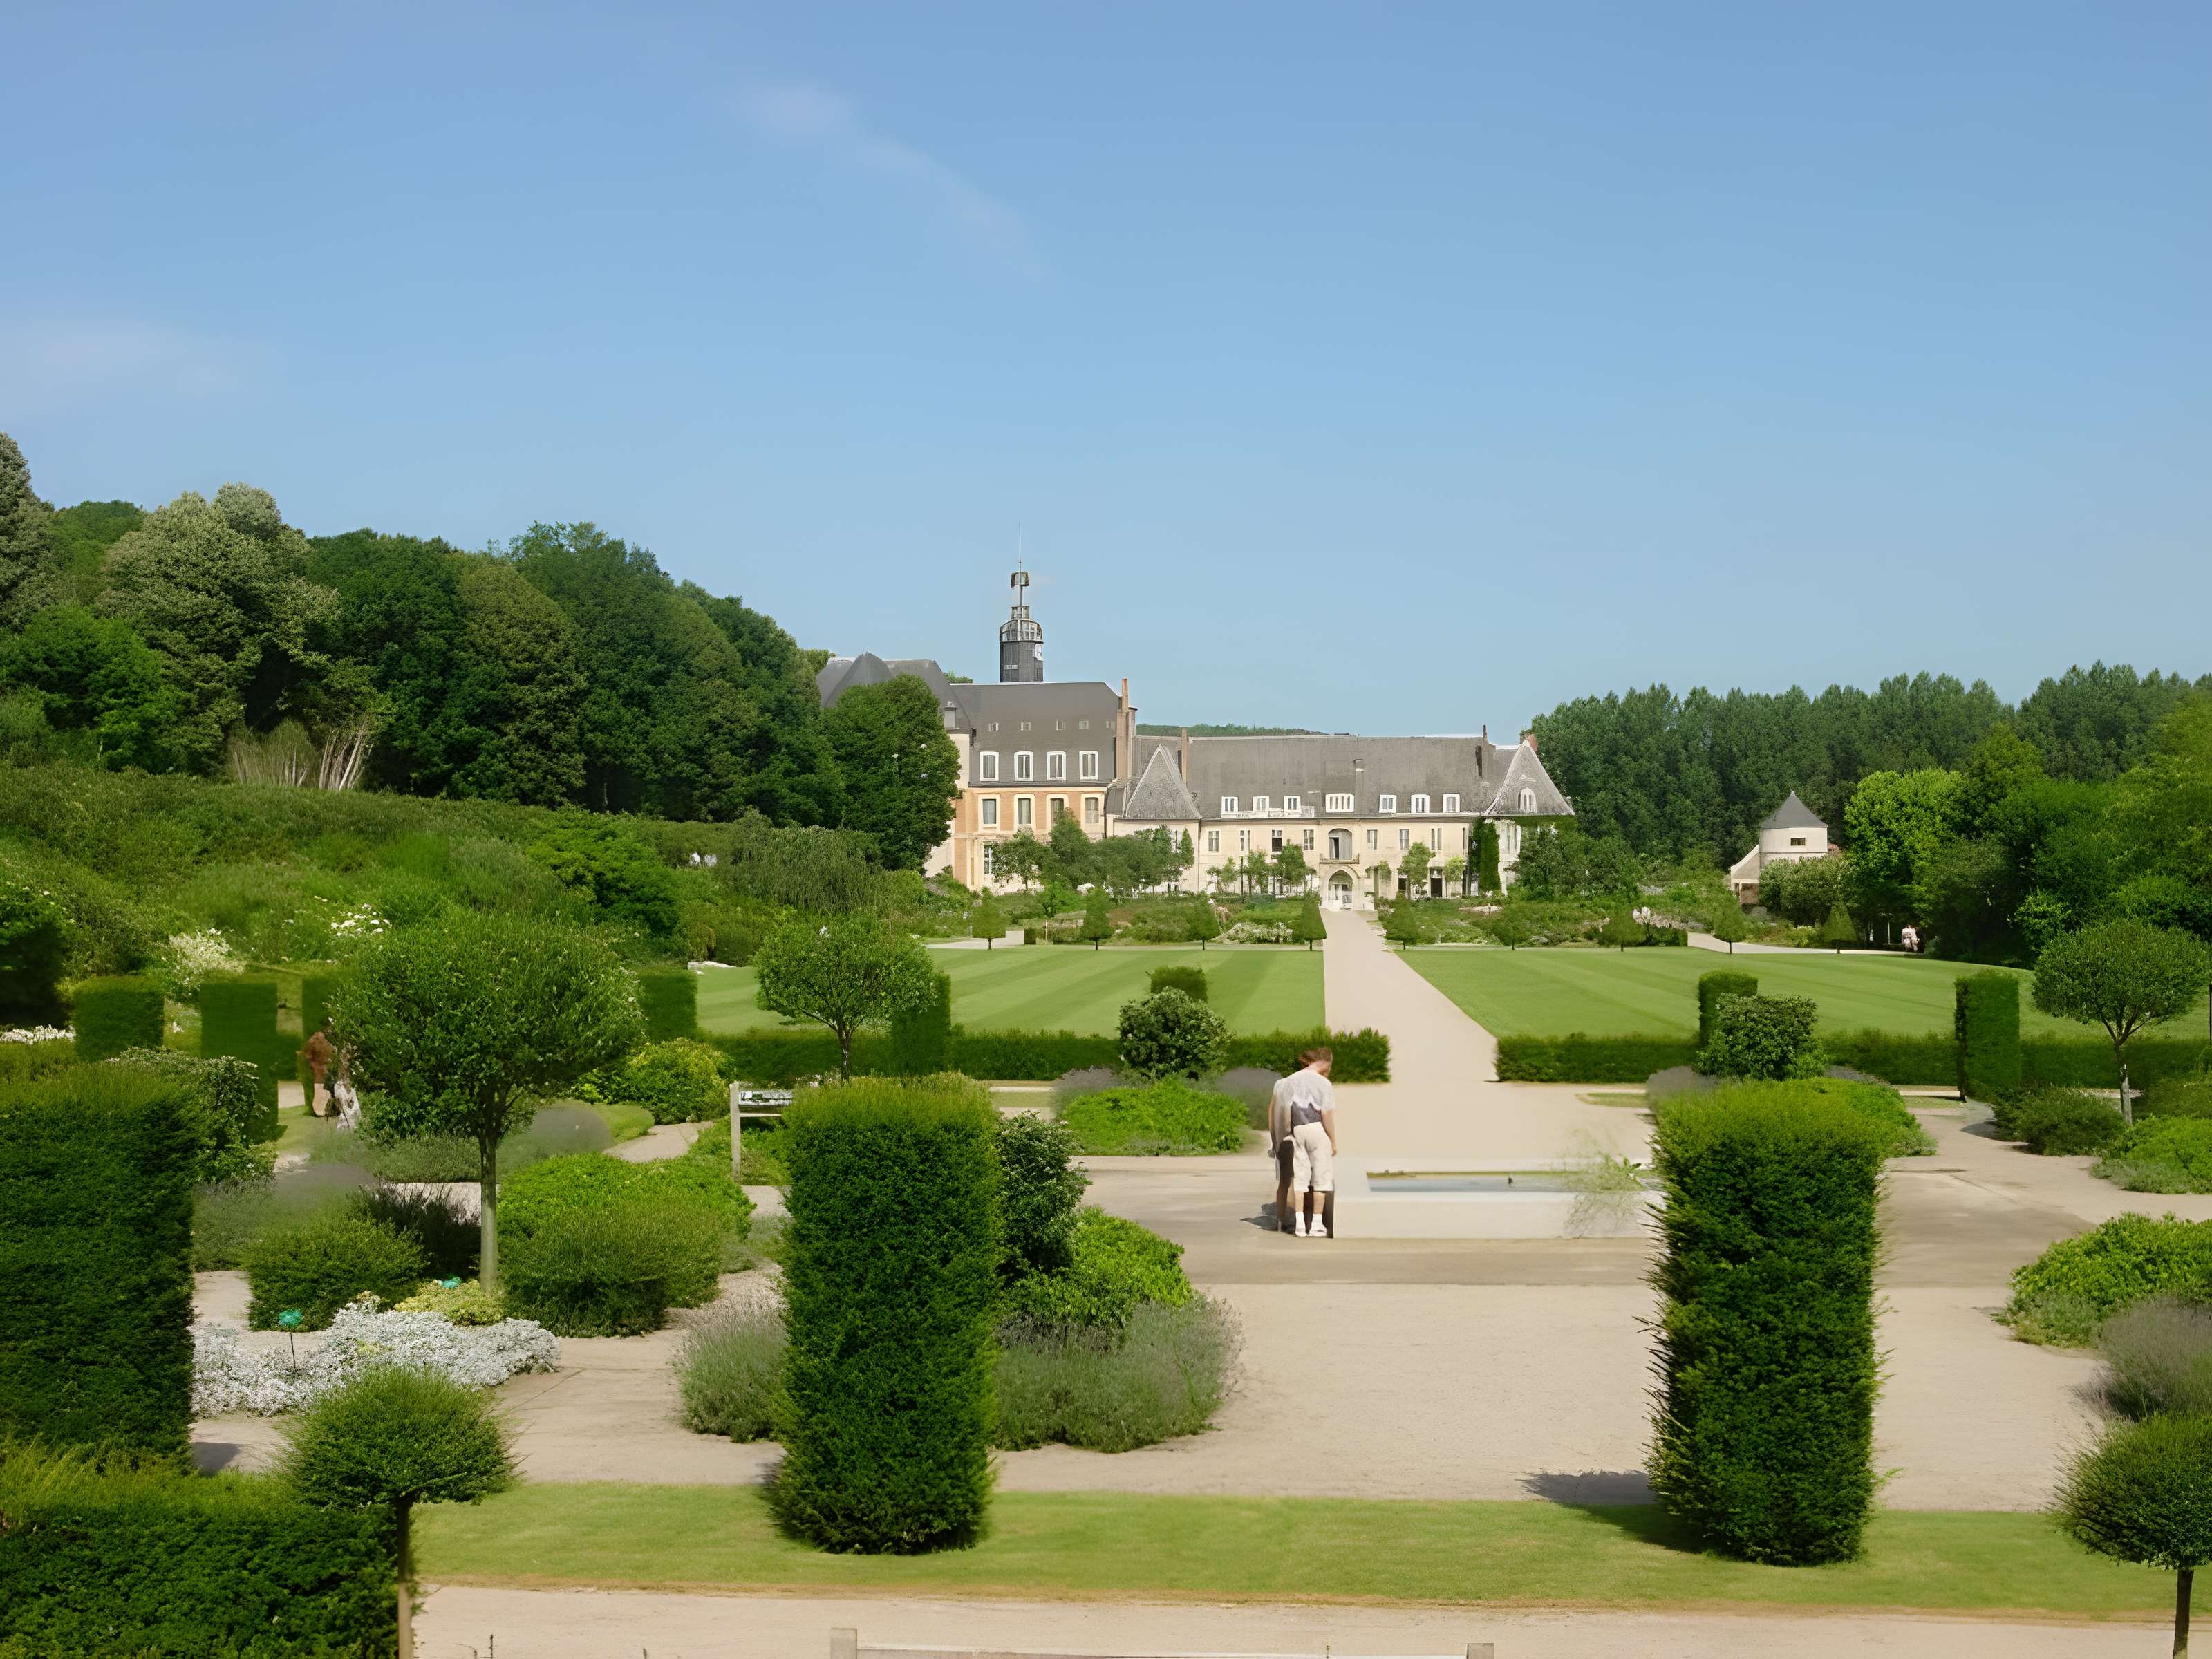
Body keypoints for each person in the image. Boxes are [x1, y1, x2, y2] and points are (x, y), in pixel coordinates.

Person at [1269, 1047, 1337, 1238]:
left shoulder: (1290, 1080)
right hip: (1316, 1129)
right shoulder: (1323, 1083)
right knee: (1321, 1179)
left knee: (1300, 1180)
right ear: (1325, 1063)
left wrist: (1286, 1134)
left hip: (1297, 1131)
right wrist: (1333, 1141)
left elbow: (1284, 1112)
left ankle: (1299, 1225)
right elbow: (1327, 1114)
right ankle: (1316, 1225)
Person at [299, 1018, 338, 1118]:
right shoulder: (317, 1040)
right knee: (321, 1089)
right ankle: (321, 1110)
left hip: (323, 1069)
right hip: (320, 1070)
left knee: (324, 1089)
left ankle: (325, 1110)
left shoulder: (325, 1040)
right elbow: (310, 1055)